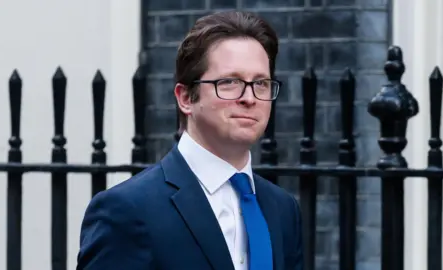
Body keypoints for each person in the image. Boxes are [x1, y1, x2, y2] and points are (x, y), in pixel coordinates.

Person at [76, 10, 304, 270]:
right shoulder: (127, 210)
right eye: (230, 81)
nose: (249, 98)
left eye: (261, 83)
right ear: (185, 98)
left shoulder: (283, 209)